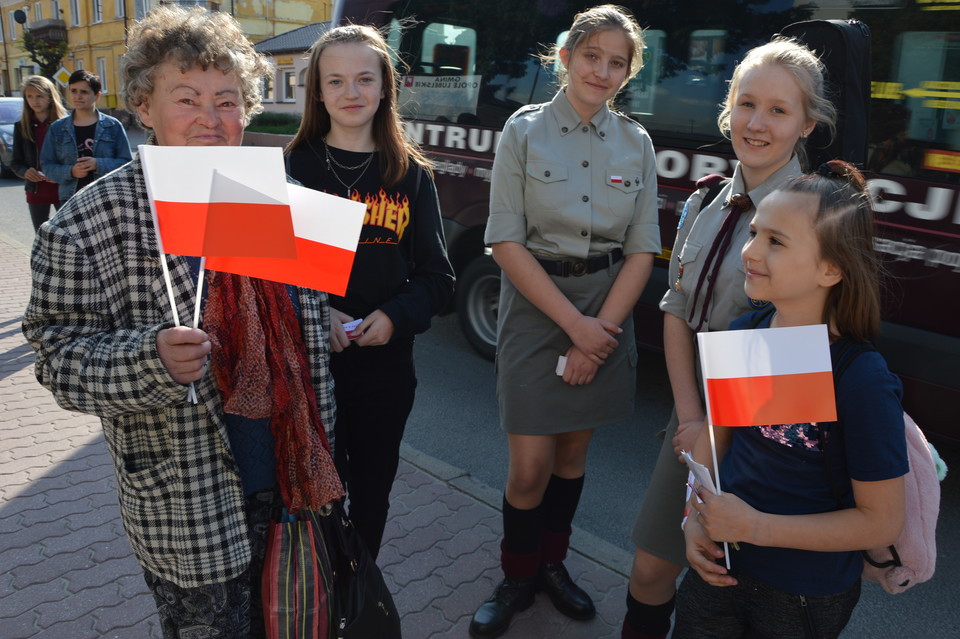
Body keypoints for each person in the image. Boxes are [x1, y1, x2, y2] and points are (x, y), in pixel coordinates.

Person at [22, 6, 342, 638]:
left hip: (291, 479)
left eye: (227, 100)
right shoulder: (89, 223)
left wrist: (329, 321)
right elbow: (56, 359)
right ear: (143, 106)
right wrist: (150, 358)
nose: (210, 117)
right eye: (187, 97)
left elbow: (299, 328)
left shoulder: (265, 197)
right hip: (185, 500)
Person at [621, 38, 837, 639]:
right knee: (649, 570)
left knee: (739, 593)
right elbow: (676, 308)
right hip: (698, 422)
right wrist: (689, 416)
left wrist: (713, 430)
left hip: (770, 428)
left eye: (778, 110)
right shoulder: (704, 201)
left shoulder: (819, 216)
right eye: (747, 104)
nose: (757, 123)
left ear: (807, 124)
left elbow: (798, 349)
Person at [469, 6, 660, 638]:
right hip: (537, 308)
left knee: (573, 456)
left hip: (606, 307)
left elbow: (641, 250)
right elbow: (504, 240)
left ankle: (553, 566)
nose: (603, 72)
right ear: (565, 57)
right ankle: (517, 575)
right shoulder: (523, 133)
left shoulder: (637, 142)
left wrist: (598, 329)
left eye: (617, 63)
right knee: (529, 469)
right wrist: (573, 328)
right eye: (591, 57)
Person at [674, 161, 908, 638]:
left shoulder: (861, 379)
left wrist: (755, 527)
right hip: (721, 567)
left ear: (831, 268)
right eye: (755, 232)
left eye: (775, 241)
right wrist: (692, 519)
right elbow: (715, 443)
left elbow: (881, 522)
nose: (749, 252)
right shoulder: (746, 332)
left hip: (806, 593)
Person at [285, 24, 455, 560]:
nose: (351, 93)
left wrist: (394, 315)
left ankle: (359, 585)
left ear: (385, 88)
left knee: (372, 490)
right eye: (335, 81)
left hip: (385, 368)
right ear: (317, 91)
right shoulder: (294, 168)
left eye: (364, 79)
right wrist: (319, 314)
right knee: (314, 490)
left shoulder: (410, 174)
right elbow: (269, 281)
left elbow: (438, 279)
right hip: (312, 366)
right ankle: (319, 585)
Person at [39, 69, 132, 202]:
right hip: (70, 200)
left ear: (97, 95)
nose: (78, 96)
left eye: (84, 92)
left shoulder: (112, 126)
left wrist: (98, 164)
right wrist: (71, 171)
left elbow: (127, 163)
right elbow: (47, 166)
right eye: (74, 91)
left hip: (106, 198)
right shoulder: (57, 128)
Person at [10, 75, 67, 231]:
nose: (34, 101)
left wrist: (59, 173)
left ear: (49, 97)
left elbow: (73, 159)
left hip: (62, 190)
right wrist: (25, 171)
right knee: (41, 237)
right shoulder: (22, 127)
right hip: (36, 191)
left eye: (39, 96)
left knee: (67, 237)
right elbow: (15, 162)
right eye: (30, 96)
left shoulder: (65, 124)